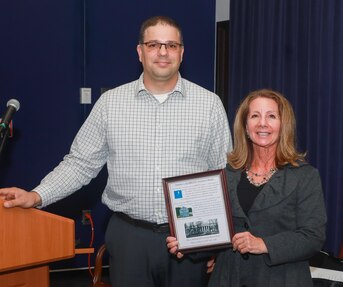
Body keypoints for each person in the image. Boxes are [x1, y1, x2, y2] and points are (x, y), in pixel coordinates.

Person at [0, 16, 232, 287]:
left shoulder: (209, 105)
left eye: (171, 45)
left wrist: (214, 242)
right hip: (129, 237)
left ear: (182, 52)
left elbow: (224, 175)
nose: (163, 52)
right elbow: (80, 164)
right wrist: (36, 195)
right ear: (140, 52)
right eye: (154, 44)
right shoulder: (110, 104)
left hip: (188, 237)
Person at [167, 89, 327, 286]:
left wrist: (263, 244)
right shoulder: (226, 174)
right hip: (228, 278)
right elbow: (218, 234)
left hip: (282, 279)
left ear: (284, 125)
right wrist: (188, 244)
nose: (262, 123)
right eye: (254, 116)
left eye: (271, 116)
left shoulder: (304, 176)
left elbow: (312, 238)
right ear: (245, 126)